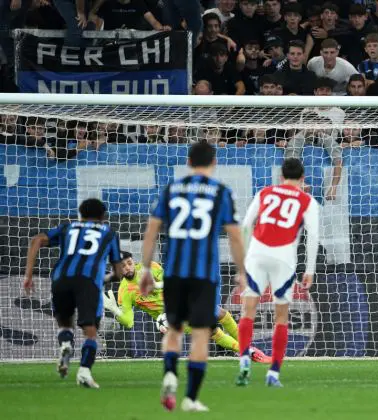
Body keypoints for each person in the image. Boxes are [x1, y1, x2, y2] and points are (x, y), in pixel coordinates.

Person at [140, 142, 246, 412]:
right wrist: (242, 272)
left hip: (174, 272)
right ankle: (190, 398)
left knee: (174, 330)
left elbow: (151, 230)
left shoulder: (171, 190)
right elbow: (234, 235)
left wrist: (144, 269)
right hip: (204, 274)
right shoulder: (220, 192)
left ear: (188, 161)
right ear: (214, 162)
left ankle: (169, 373)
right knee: (200, 336)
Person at [23, 198, 124, 388]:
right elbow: (118, 272)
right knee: (90, 329)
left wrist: (28, 275)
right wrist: (108, 278)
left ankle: (66, 345)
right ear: (103, 217)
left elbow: (36, 240)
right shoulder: (109, 233)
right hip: (88, 282)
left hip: (61, 279)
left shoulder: (67, 228)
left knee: (64, 321)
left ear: (81, 214)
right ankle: (84, 372)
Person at [237, 158, 320, 387]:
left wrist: (245, 258)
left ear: (281, 177)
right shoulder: (307, 200)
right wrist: (310, 269)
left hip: (257, 252)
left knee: (248, 310)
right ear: (303, 179)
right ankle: (273, 374)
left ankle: (244, 359)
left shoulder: (265, 192)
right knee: (281, 317)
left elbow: (245, 225)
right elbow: (312, 237)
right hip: (283, 257)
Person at [101, 251, 270, 363]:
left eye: (129, 263)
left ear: (133, 261)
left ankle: (248, 346)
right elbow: (129, 322)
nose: (127, 267)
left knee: (222, 314)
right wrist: (116, 311)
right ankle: (249, 353)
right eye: (122, 266)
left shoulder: (151, 267)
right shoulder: (124, 291)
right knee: (211, 331)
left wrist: (158, 285)